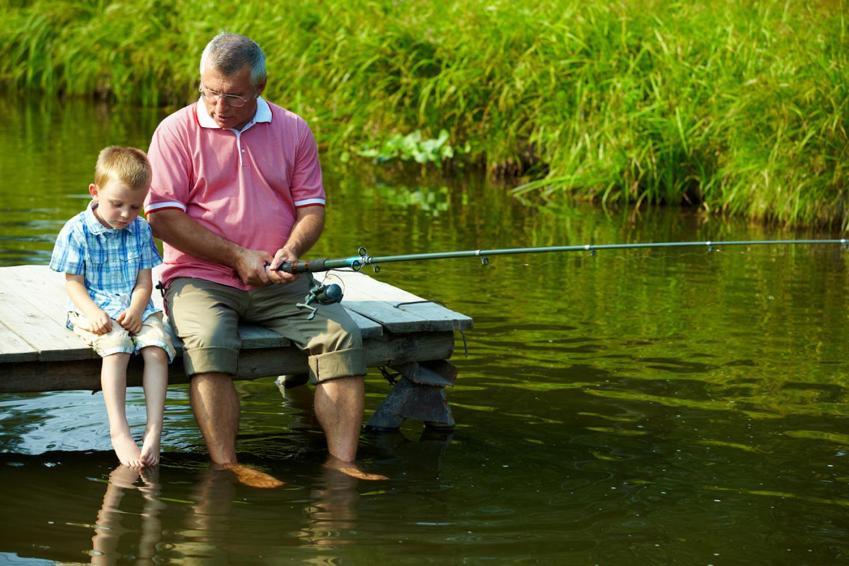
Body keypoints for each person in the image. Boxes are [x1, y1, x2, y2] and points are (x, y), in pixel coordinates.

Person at [144, 32, 384, 486]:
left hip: (282, 277)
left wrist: (292, 251)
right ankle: (228, 464)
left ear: (261, 85)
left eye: (232, 96)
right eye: (209, 92)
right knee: (211, 342)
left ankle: (342, 462)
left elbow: (312, 208)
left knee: (342, 336)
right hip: (199, 276)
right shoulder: (175, 131)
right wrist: (236, 256)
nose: (218, 106)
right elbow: (162, 218)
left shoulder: (293, 129)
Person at [50, 146, 175, 468]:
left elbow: (145, 282)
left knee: (157, 349)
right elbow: (73, 282)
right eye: (116, 204)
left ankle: (153, 431)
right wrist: (92, 313)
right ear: (95, 191)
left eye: (135, 206)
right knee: (117, 346)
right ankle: (119, 431)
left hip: (137, 306)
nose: (125, 214)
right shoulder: (76, 230)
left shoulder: (141, 229)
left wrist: (136, 309)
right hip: (94, 307)